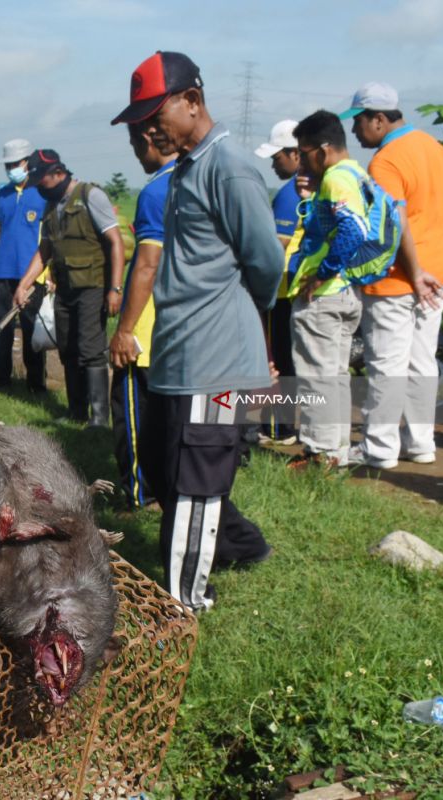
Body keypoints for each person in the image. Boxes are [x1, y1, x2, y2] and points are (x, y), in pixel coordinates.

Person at [111, 51, 282, 612]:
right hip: (177, 354)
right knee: (171, 468)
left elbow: (264, 261)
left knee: (197, 481)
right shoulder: (184, 171)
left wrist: (242, 322)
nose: (148, 127)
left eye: (155, 113)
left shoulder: (228, 166)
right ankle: (242, 547)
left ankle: (184, 601)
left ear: (192, 100)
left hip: (213, 355)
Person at [344, 82, 443, 468]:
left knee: (387, 364)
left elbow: (396, 222)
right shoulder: (435, 148)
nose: (356, 131)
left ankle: (379, 449)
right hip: (438, 269)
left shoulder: (386, 161)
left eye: (359, 121)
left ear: (378, 119)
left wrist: (414, 269)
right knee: (423, 361)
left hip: (399, 278)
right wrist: (428, 262)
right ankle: (421, 444)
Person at [13, 149, 126, 424]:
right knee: (68, 350)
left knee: (90, 350)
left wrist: (115, 289)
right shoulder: (52, 206)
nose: (39, 187)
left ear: (58, 173)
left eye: (42, 181)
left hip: (92, 288)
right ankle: (76, 412)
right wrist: (24, 285)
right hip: (64, 290)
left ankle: (98, 419)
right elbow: (45, 250)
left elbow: (116, 242)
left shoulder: (91, 196)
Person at [284, 110, 367, 469]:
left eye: (304, 152)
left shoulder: (335, 177)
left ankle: (319, 453)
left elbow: (353, 230)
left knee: (317, 376)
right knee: (334, 375)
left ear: (324, 149)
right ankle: (335, 450)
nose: (301, 160)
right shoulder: (358, 173)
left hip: (326, 292)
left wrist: (322, 273)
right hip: (348, 291)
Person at [107, 123, 176, 508]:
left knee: (133, 414)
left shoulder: (156, 191)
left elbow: (147, 265)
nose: (136, 154)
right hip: (179, 327)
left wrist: (125, 329)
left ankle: (139, 493)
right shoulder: (196, 181)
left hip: (146, 326)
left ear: (150, 139)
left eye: (136, 144)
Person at [0, 138, 49, 392]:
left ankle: (35, 383)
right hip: (2, 272)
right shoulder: (0, 196)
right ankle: (0, 380)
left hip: (31, 275)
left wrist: (48, 273)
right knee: (0, 330)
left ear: (28, 163)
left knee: (32, 331)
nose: (11, 169)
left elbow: (48, 236)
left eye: (15, 164)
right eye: (7, 165)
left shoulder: (42, 193)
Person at [254, 120, 302, 446]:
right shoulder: (311, 185)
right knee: (289, 359)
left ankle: (277, 428)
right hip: (297, 288)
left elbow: (278, 246)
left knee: (278, 359)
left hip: (281, 289)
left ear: (294, 152)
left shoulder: (289, 194)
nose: (273, 163)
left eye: (277, 156)